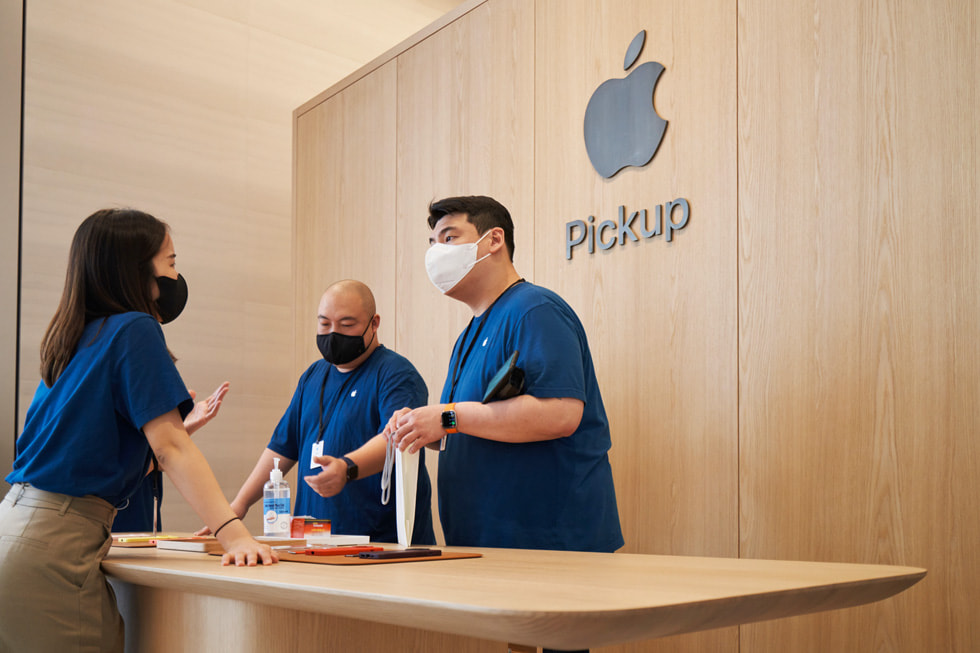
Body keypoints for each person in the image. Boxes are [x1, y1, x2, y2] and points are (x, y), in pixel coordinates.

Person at [0, 208, 277, 653]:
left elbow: (82, 451)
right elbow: (171, 449)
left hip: (16, 527)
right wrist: (234, 532)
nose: (176, 274)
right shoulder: (134, 328)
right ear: (137, 271)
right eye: (170, 262)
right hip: (56, 545)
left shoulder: (76, 336)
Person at [387, 195, 623, 554]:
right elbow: (470, 426)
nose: (437, 252)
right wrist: (421, 426)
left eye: (449, 238)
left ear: (494, 240)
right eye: (433, 244)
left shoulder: (535, 310)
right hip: (485, 542)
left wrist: (447, 417)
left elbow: (561, 413)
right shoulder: (470, 334)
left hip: (548, 544)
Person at [217, 280, 434, 544]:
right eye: (324, 324)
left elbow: (397, 439)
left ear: (374, 323)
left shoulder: (396, 374)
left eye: (346, 325)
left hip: (379, 545)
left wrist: (347, 468)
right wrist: (238, 506)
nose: (333, 333)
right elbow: (281, 449)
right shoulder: (313, 376)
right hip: (312, 542)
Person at [112, 380, 230, 533]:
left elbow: (156, 461)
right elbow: (117, 479)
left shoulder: (146, 409)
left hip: (142, 523)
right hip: (109, 528)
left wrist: (180, 432)